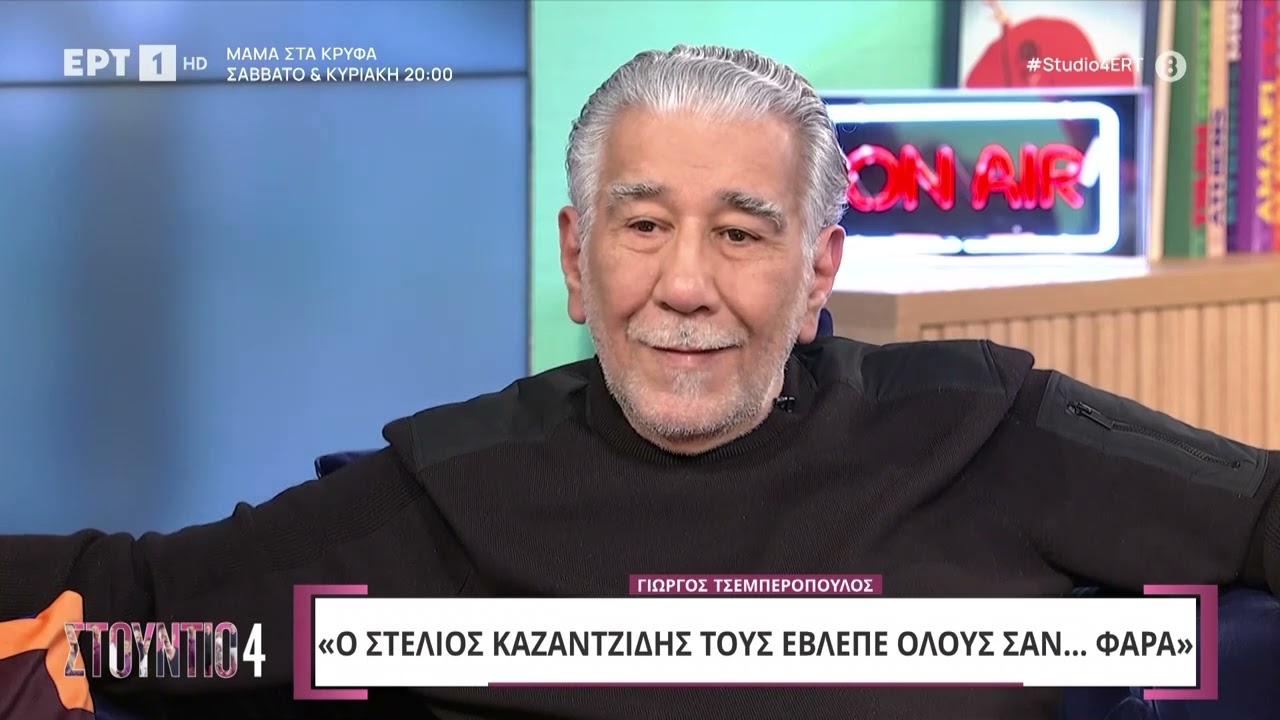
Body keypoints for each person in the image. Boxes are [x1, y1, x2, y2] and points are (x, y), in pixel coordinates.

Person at [1, 44, 1277, 720]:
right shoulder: (447, 489)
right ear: (576, 257)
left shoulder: (989, 427)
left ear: (817, 269)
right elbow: (134, 608)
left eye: (740, 233)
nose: (683, 285)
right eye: (642, 225)